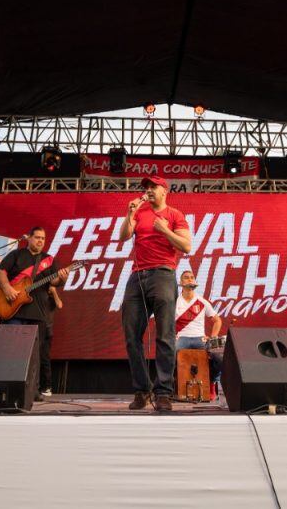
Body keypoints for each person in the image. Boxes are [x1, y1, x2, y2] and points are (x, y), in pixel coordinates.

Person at [120, 176, 192, 412]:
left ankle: (163, 393)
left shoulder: (174, 215)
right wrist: (129, 213)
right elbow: (123, 236)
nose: (148, 190)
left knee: (165, 336)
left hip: (163, 273)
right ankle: (142, 390)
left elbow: (186, 246)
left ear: (164, 191)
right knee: (132, 336)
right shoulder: (139, 211)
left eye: (153, 187)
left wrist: (164, 230)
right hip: (137, 275)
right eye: (146, 188)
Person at [0, 226, 68, 400]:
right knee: (10, 351)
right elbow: (0, 272)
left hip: (38, 314)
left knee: (34, 355)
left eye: (43, 238)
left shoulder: (49, 260)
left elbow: (55, 281)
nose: (40, 241)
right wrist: (6, 288)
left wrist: (62, 278)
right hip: (13, 311)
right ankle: (6, 388)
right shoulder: (16, 255)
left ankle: (32, 391)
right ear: (29, 238)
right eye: (37, 237)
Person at [175, 271, 222, 397]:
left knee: (219, 359)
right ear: (181, 283)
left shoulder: (202, 301)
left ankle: (212, 384)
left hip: (199, 339)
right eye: (186, 278)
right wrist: (171, 335)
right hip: (181, 338)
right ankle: (168, 389)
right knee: (166, 355)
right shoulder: (174, 301)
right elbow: (163, 321)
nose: (190, 280)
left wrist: (212, 338)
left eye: (192, 278)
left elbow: (217, 320)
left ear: (195, 282)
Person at [41, 286, 64, 398]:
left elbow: (60, 305)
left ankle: (47, 387)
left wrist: (54, 292)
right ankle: (38, 386)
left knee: (44, 358)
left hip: (47, 330)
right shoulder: (39, 296)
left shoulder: (52, 298)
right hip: (36, 329)